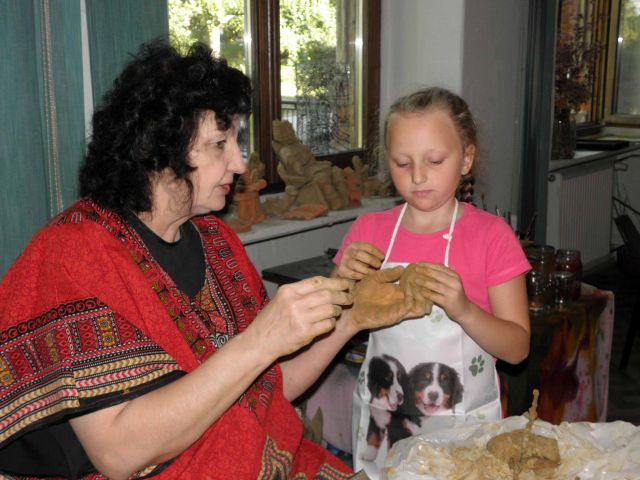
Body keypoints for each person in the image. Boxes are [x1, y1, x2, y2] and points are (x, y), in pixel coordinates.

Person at [0, 41, 431, 480]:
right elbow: (118, 454)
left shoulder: (216, 241)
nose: (239, 163)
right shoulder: (73, 254)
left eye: (236, 141)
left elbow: (268, 389)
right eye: (219, 143)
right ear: (158, 151)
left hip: (268, 461)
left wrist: (349, 320)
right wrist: (260, 339)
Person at [333, 87, 531, 478]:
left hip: (463, 433)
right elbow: (329, 325)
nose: (418, 176)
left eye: (434, 161)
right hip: (386, 426)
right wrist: (342, 282)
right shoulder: (368, 231)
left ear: (466, 159)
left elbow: (517, 349)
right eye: (402, 163)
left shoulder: (491, 237)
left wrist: (465, 311)